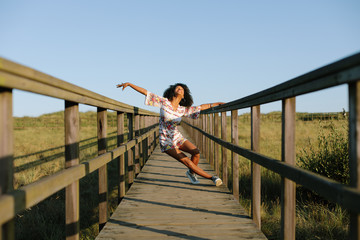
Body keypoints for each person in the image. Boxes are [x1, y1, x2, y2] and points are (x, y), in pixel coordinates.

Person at [116, 82, 225, 186]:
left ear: (183, 95)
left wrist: (217, 104)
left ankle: (191, 173)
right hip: (166, 141)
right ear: (173, 91)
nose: (180, 89)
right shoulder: (164, 102)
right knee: (186, 160)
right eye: (177, 88)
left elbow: (200, 107)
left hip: (177, 137)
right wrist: (130, 84)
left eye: (182, 89)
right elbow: (146, 92)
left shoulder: (182, 110)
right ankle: (212, 178)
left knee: (196, 152)